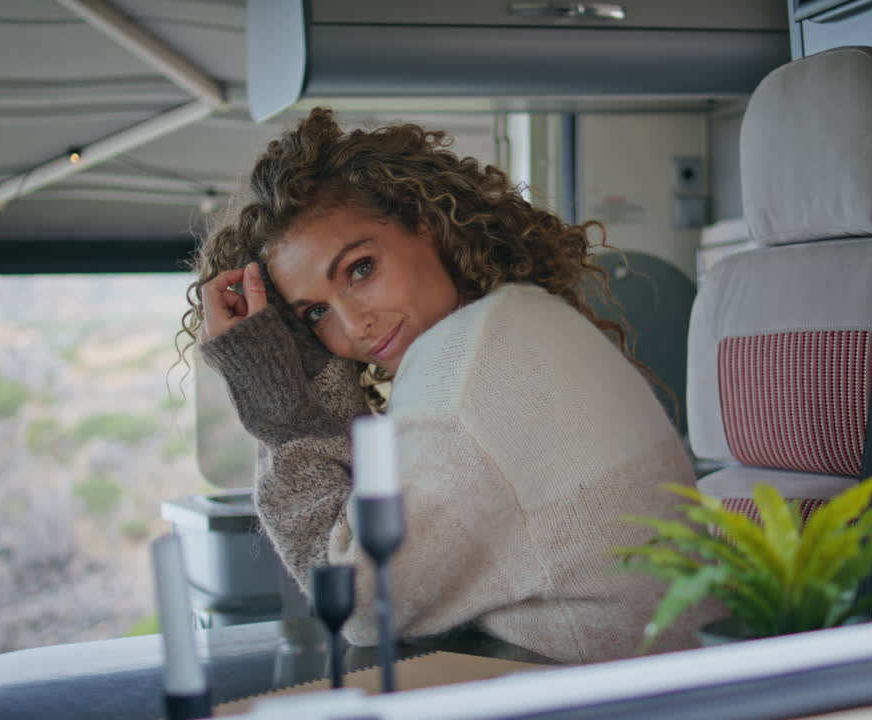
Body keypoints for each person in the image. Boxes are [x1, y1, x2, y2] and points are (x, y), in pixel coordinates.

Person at [178, 108, 719, 664]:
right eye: (315, 313)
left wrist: (286, 419)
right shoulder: (513, 319)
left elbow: (356, 606)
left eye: (360, 269)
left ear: (426, 224)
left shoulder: (463, 381)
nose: (353, 324)